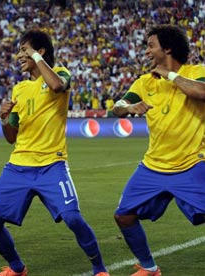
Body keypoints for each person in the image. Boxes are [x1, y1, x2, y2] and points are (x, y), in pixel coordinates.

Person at [0, 30, 110, 276]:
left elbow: (55, 86)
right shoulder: (19, 89)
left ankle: (100, 269)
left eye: (24, 50)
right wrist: (4, 118)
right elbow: (12, 138)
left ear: (40, 52)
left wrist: (38, 59)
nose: (19, 55)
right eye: (19, 50)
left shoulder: (60, 73)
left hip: (52, 164)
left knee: (73, 218)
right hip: (18, 165)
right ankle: (17, 268)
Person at [112, 24, 205, 276]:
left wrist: (169, 75)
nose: (146, 52)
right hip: (153, 166)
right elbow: (117, 107)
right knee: (124, 215)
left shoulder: (197, 72)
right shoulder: (144, 82)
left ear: (168, 48)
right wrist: (127, 108)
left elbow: (202, 92)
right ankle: (150, 267)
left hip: (192, 163)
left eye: (150, 45)